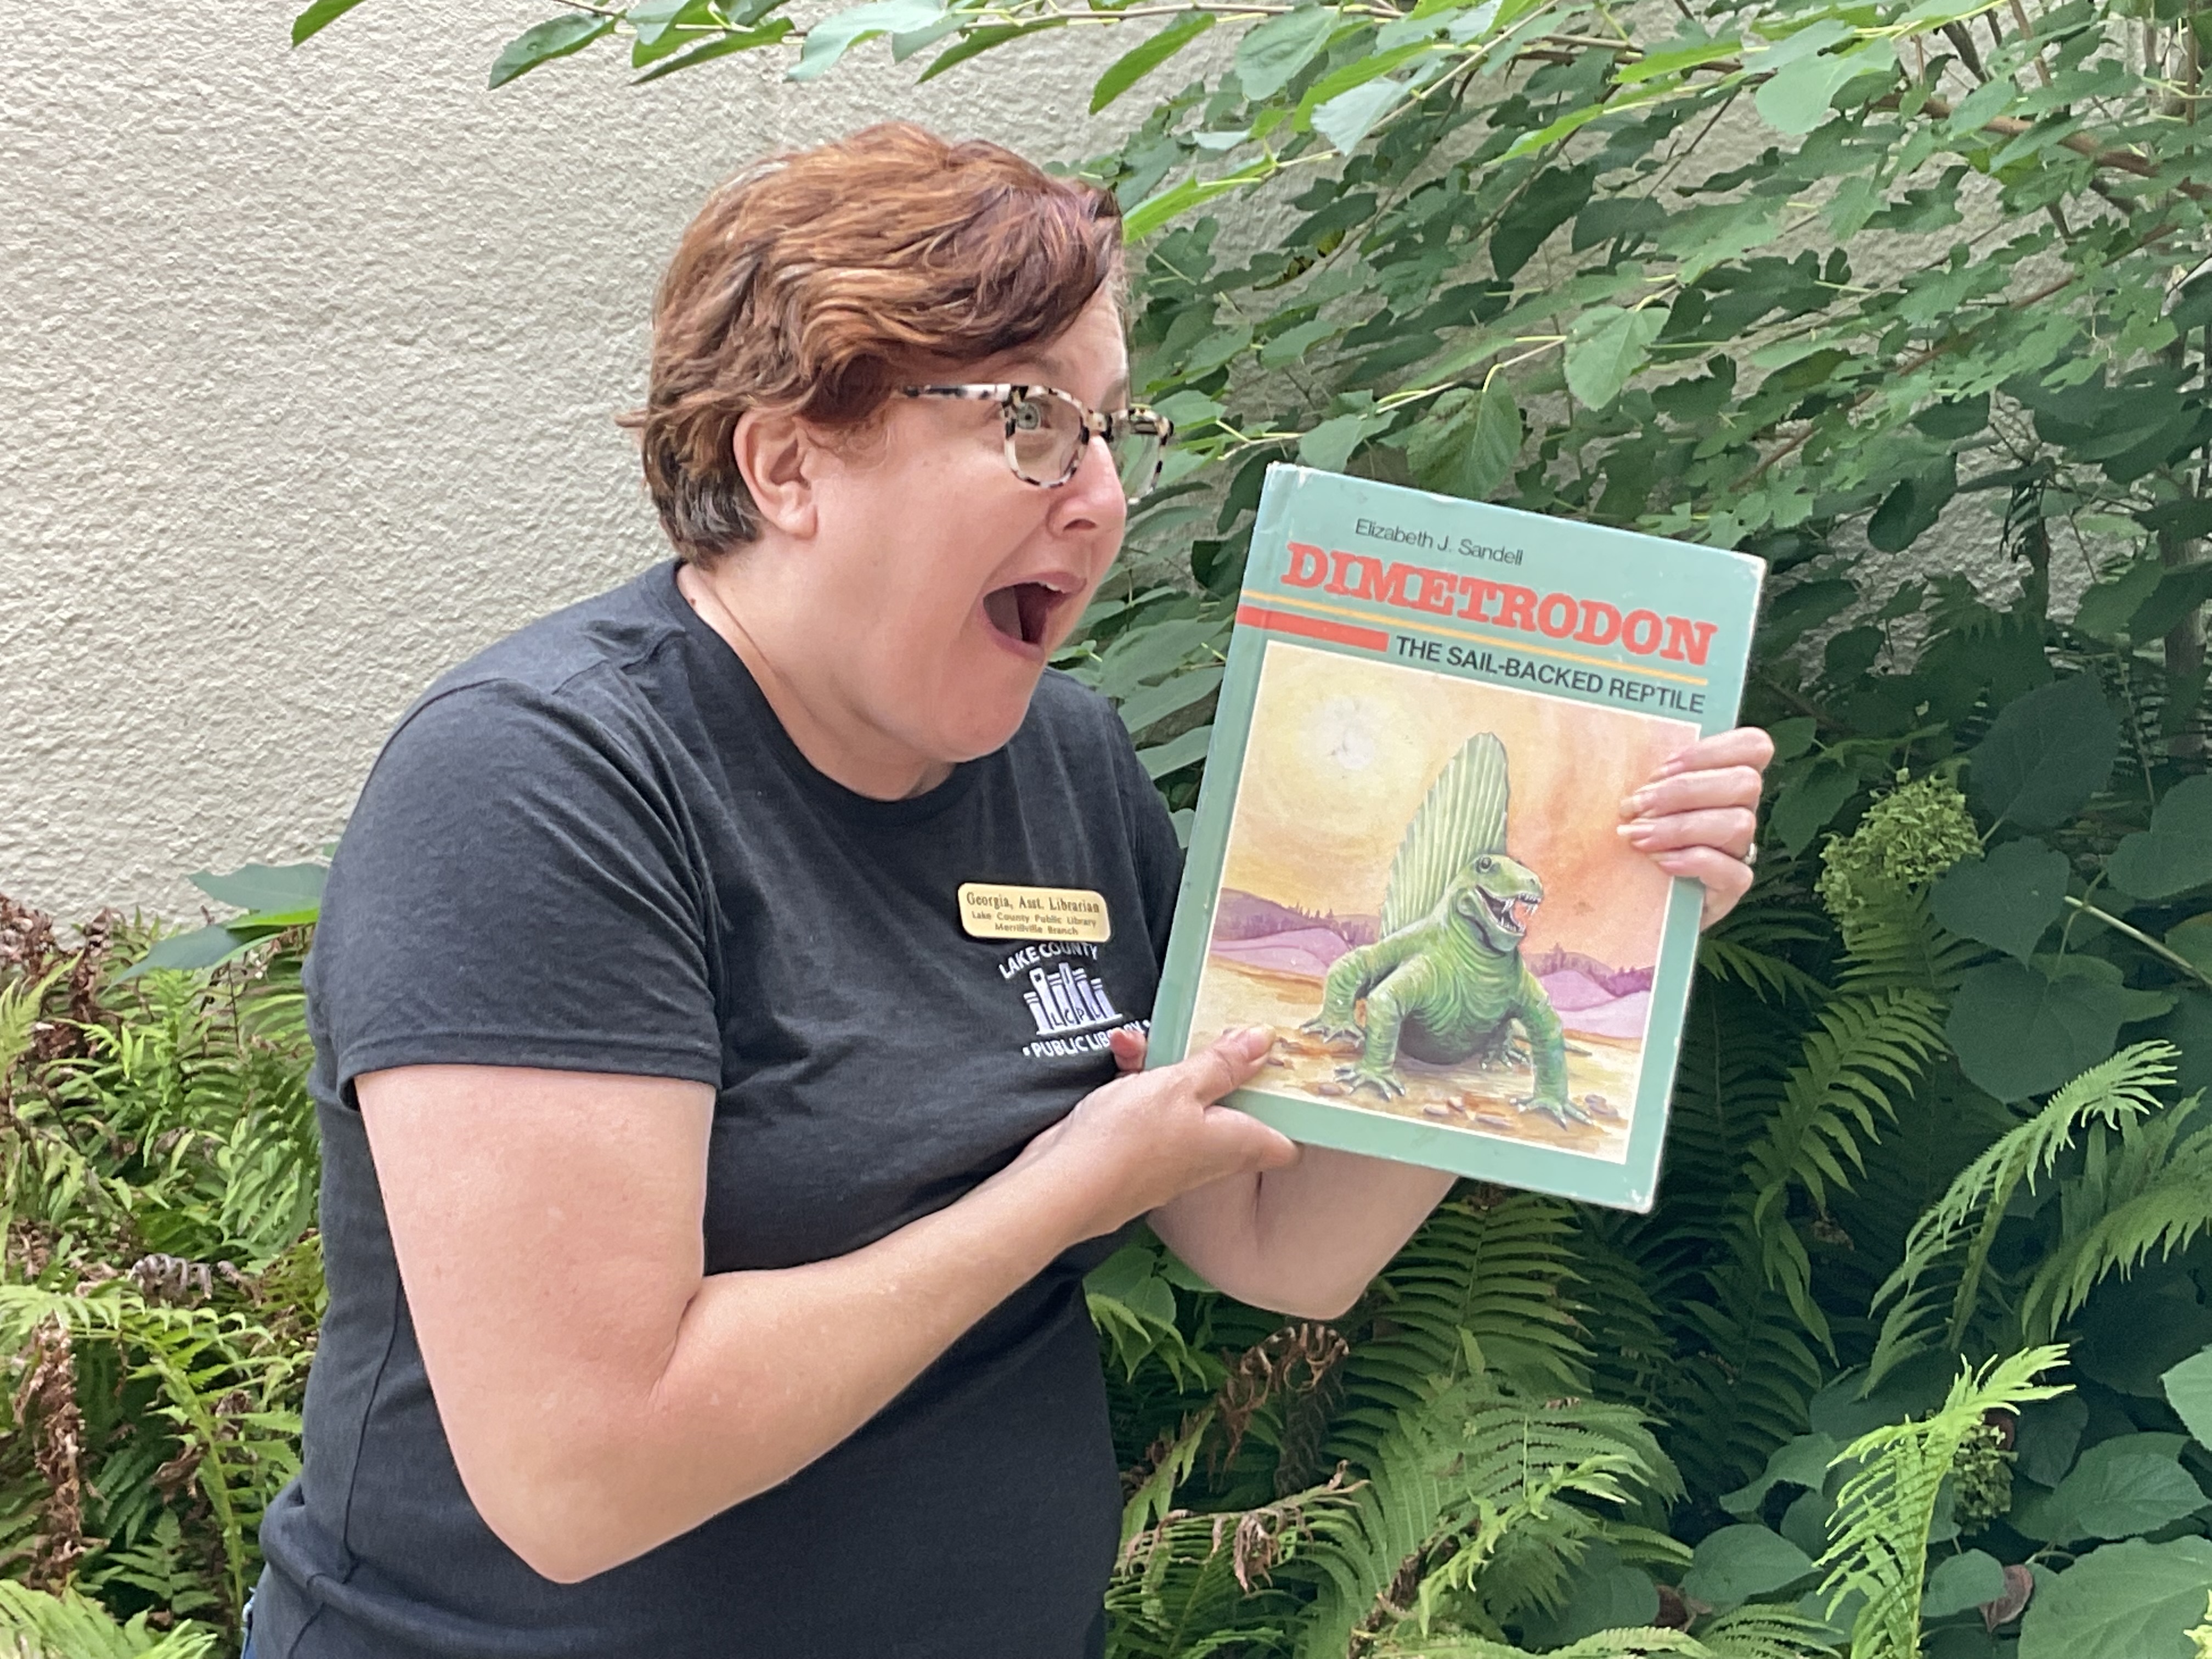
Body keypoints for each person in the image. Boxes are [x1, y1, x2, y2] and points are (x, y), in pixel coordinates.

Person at [244, 123, 1770, 1659]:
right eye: (1033, 424)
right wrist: (1060, 1194)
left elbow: (1278, 1244)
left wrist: (1629, 908)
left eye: (1114, 432)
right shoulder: (542, 786)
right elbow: (584, 1472)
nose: (1102, 498)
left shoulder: (1067, 760)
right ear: (786, 462)